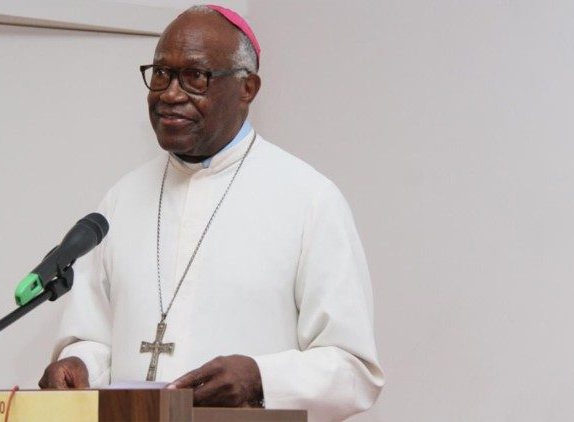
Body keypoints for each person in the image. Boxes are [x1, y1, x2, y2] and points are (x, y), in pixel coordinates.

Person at [38, 4, 384, 421]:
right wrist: (80, 365)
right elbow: (94, 337)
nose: (169, 93)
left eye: (195, 77)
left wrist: (260, 379)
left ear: (247, 88)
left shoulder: (309, 200)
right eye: (161, 73)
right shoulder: (121, 200)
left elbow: (354, 370)